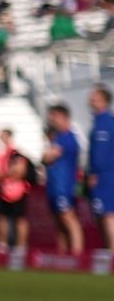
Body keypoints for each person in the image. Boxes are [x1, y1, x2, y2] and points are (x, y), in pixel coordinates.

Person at [42, 102, 84, 256]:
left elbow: (48, 157)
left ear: (63, 117)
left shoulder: (68, 138)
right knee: (59, 224)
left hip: (63, 186)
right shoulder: (57, 139)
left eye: (54, 117)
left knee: (69, 220)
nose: (51, 120)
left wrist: (48, 154)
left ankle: (77, 255)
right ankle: (63, 257)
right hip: (54, 186)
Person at [88, 84, 114, 253]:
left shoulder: (106, 123)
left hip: (107, 177)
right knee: (102, 216)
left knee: (108, 215)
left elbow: (102, 155)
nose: (91, 100)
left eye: (95, 97)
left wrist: (96, 173)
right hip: (101, 177)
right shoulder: (97, 122)